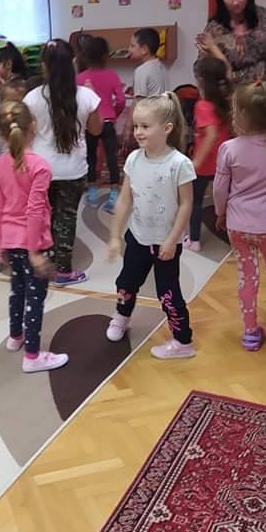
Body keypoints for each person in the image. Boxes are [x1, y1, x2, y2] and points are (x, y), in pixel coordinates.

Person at [106, 93, 197, 359]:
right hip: (137, 237)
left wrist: (171, 240)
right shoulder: (134, 159)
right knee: (126, 283)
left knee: (167, 293)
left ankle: (182, 342)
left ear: (166, 128)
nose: (138, 132)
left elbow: (186, 205)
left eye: (145, 126)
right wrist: (115, 235)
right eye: (136, 126)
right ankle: (122, 316)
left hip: (166, 243)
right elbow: (125, 199)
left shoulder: (179, 164)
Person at [214, 81, 266, 351]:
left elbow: (219, 189)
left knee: (247, 275)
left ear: (241, 116)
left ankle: (250, 332)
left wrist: (220, 213)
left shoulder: (229, 149)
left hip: (238, 225)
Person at [0, 99, 68, 373]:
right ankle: (33, 356)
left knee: (18, 289)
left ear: (1, 134)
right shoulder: (39, 167)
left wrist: (1, 245)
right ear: (33, 127)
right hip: (32, 243)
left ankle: (16, 336)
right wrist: (35, 251)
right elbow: (34, 212)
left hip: (11, 240)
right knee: (35, 297)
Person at [24, 39, 101, 286]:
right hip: (73, 170)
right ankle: (63, 270)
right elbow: (96, 130)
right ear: (73, 62)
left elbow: (27, 134)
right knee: (65, 218)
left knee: (41, 215)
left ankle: (41, 260)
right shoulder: (87, 96)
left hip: (40, 168)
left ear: (44, 66)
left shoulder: (32, 98)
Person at [184, 57, 231, 253]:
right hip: (225, 162)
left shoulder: (203, 106)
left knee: (194, 201)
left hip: (205, 165)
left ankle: (194, 240)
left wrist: (196, 162)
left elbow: (211, 135)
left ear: (200, 80)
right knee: (228, 201)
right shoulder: (225, 101)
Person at [77, 36, 126, 213]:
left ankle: (92, 193)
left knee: (90, 157)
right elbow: (121, 100)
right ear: (106, 56)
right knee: (111, 158)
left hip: (89, 123)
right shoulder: (112, 75)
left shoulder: (79, 78)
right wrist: (114, 114)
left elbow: (78, 103)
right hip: (107, 122)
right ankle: (113, 195)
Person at [0, 77, 28, 272]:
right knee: (1, 214)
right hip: (4, 178)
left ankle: (24, 249)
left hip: (24, 175)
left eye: (19, 101)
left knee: (25, 214)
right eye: (11, 101)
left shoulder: (27, 123)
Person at [128, 27, 167, 99]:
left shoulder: (141, 71)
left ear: (144, 49)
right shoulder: (162, 67)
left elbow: (139, 102)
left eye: (132, 46)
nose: (129, 49)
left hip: (148, 106)